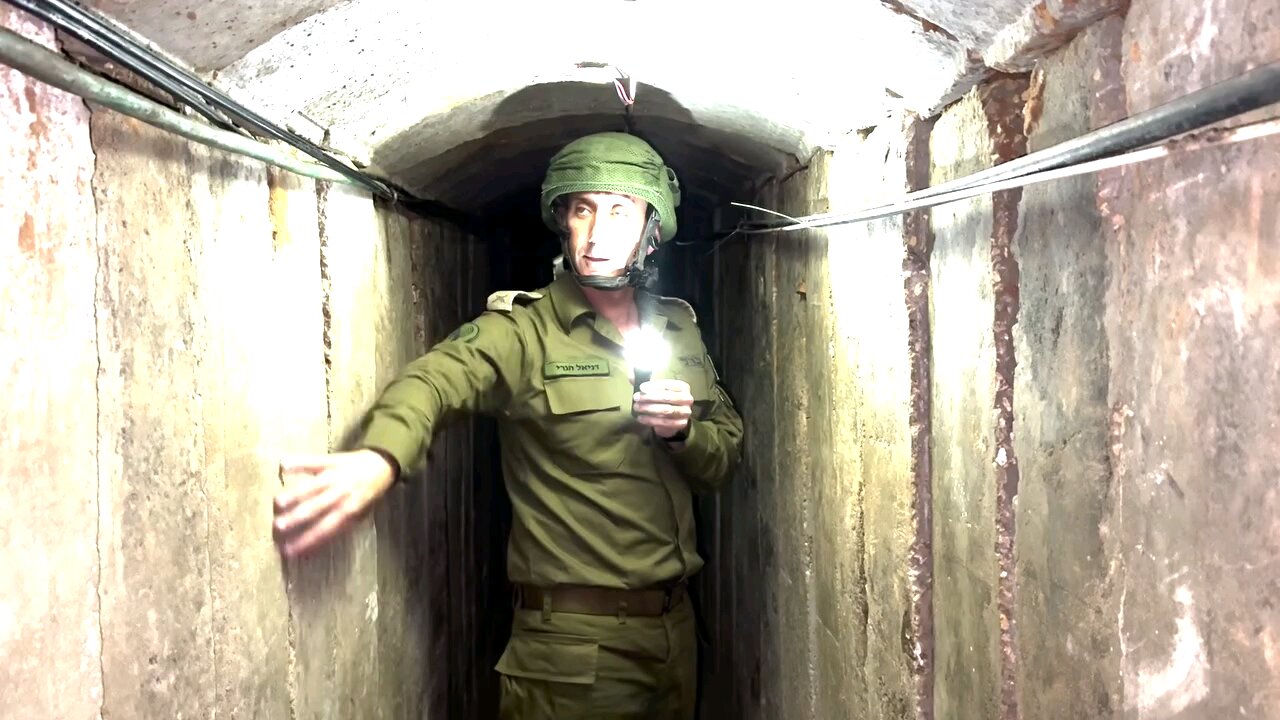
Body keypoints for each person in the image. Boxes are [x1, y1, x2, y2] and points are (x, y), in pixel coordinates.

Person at [272, 131, 744, 719]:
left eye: (619, 212)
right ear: (562, 220)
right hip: (570, 652)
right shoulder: (523, 332)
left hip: (675, 637)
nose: (597, 234)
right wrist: (381, 457)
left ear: (651, 229)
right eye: (582, 209)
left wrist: (683, 434)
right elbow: (437, 381)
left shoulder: (678, 328)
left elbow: (723, 459)